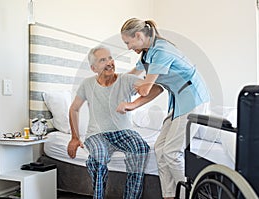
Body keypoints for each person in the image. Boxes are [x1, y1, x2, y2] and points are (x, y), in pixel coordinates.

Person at [121, 18, 210, 199]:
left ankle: (190, 194)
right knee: (160, 148)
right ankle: (170, 195)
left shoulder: (161, 51)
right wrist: (115, 86)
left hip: (193, 100)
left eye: (128, 42)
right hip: (179, 103)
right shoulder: (147, 54)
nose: (128, 47)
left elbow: (147, 88)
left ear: (138, 35)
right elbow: (136, 78)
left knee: (171, 151)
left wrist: (131, 98)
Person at [67, 45, 163, 199]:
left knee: (140, 148)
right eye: (103, 60)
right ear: (93, 68)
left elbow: (156, 89)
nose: (109, 62)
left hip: (123, 132)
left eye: (110, 58)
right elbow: (74, 109)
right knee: (99, 156)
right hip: (97, 134)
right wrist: (74, 137)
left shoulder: (126, 79)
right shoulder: (87, 84)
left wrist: (132, 105)